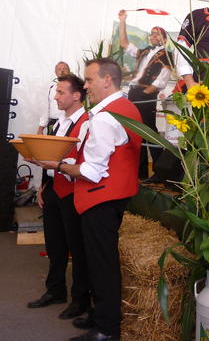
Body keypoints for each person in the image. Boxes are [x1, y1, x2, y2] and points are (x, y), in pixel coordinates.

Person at [39, 58, 142, 341]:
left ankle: (107, 330)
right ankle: (100, 316)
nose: (85, 86)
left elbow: (91, 171)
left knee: (102, 265)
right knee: (100, 262)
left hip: (100, 199)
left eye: (89, 80)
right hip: (115, 196)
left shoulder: (106, 117)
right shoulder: (127, 108)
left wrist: (58, 166)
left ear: (107, 80)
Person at [27, 74, 91, 321]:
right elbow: (50, 158)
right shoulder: (60, 123)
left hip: (73, 191)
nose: (55, 97)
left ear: (76, 95)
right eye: (56, 92)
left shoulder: (87, 123)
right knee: (54, 245)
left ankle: (80, 300)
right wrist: (44, 186)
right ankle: (55, 290)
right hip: (55, 188)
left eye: (61, 92)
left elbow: (84, 161)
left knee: (77, 248)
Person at [118, 10, 172, 179]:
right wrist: (122, 21)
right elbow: (124, 44)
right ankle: (140, 172)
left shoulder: (167, 55)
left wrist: (146, 92)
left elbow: (163, 78)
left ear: (164, 39)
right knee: (135, 131)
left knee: (149, 131)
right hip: (134, 92)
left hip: (146, 94)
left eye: (156, 34)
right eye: (152, 33)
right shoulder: (145, 51)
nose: (153, 36)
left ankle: (160, 172)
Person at [37, 61, 70, 134]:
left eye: (65, 69)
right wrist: (40, 128)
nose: (62, 71)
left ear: (69, 71)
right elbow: (46, 109)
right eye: (59, 69)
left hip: (68, 124)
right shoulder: (51, 89)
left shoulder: (75, 89)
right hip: (53, 124)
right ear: (56, 73)